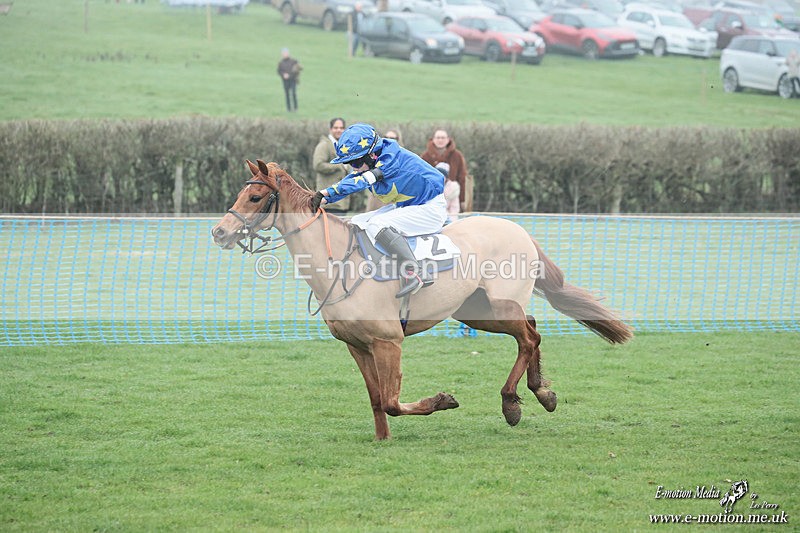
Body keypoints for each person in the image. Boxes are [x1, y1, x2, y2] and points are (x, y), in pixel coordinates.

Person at [309, 123, 447, 298]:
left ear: (372, 154)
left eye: (357, 162)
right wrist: (324, 198)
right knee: (356, 222)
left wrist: (327, 193)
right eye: (349, 163)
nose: (354, 167)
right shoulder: (373, 158)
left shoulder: (389, 161)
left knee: (377, 224)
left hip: (430, 209)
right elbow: (354, 177)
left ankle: (415, 272)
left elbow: (360, 181)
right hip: (411, 207)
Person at [420, 129, 469, 212]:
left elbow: (462, 177)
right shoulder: (425, 156)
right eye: (438, 137)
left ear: (448, 139)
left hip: (453, 195)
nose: (440, 140)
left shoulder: (457, 156)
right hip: (431, 197)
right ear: (433, 139)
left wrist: (462, 199)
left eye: (443, 138)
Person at [312, 118, 351, 214]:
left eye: (341, 128)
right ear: (330, 129)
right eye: (336, 128)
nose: (339, 130)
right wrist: (339, 166)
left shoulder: (344, 146)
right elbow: (318, 165)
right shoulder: (324, 145)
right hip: (328, 202)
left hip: (342, 201)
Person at [276, 48, 301, 112]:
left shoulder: (294, 61)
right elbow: (279, 71)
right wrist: (283, 75)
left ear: (288, 53)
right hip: (285, 81)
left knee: (293, 93)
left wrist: (290, 75)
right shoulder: (281, 63)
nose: (285, 55)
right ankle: (288, 108)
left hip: (293, 80)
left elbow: (298, 70)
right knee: (287, 94)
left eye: (286, 53)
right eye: (283, 53)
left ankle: (295, 108)